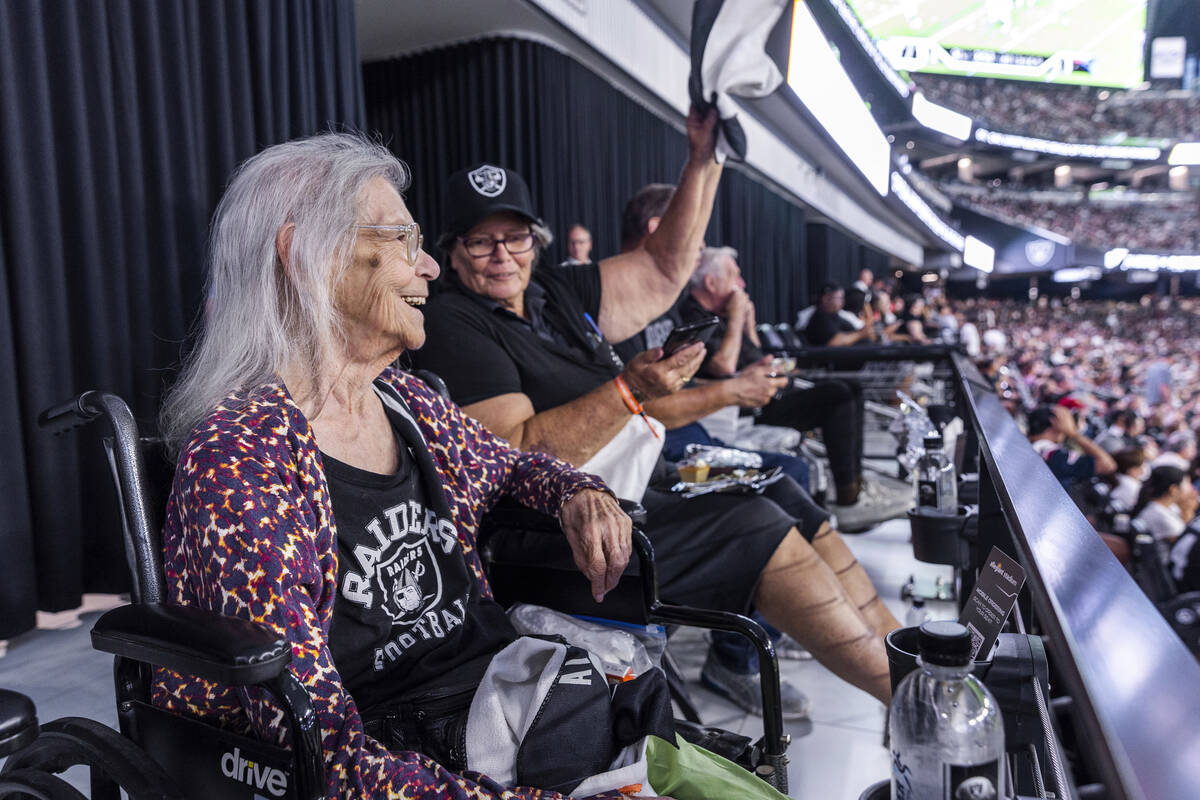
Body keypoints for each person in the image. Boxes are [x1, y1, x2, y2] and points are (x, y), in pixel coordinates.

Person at [154, 133, 780, 800]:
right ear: (304, 256)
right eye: (401, 239)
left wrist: (577, 491)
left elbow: (511, 465)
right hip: (403, 754)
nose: (428, 266)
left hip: (496, 696)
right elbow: (321, 754)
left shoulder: (406, 402)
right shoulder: (243, 460)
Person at [415, 106, 899, 716]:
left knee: (782, 489)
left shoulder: (553, 291)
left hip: (632, 484)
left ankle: (904, 649)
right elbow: (516, 454)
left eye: (514, 238)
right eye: (480, 241)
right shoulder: (453, 321)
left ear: (533, 240)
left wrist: (703, 159)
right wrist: (628, 392)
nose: (501, 255)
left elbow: (665, 266)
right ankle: (903, 694)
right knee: (752, 524)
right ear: (452, 252)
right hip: (554, 534)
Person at [614, 188, 911, 532]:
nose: (699, 250)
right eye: (696, 240)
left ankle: (850, 499)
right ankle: (847, 502)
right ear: (656, 229)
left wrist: (749, 339)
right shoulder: (675, 311)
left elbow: (711, 373)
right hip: (699, 429)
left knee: (838, 403)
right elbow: (689, 385)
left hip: (708, 418)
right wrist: (736, 382)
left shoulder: (666, 308)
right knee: (812, 438)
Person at [1026, 403, 1117, 494]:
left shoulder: (1027, 441)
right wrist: (1073, 433)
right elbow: (1108, 465)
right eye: (1067, 418)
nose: (1073, 422)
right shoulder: (1051, 454)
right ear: (1055, 422)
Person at [1133, 466, 1197, 559]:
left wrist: (1186, 510)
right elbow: (1187, 544)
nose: (1192, 488)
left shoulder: (1169, 507)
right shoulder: (1160, 515)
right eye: (1187, 483)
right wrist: (1189, 510)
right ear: (1174, 489)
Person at [802, 282, 875, 347]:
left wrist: (864, 331)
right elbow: (833, 342)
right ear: (826, 299)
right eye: (839, 298)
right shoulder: (820, 319)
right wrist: (860, 334)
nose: (842, 302)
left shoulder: (837, 316)